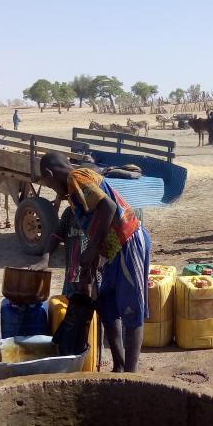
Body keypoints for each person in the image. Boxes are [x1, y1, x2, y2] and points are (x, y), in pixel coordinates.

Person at [37, 152, 150, 372]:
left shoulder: (76, 178)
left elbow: (109, 207)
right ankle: (119, 367)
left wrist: (91, 249)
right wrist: (92, 261)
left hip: (127, 240)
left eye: (49, 185)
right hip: (111, 249)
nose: (53, 190)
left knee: (131, 309)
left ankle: (131, 374)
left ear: (49, 174)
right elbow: (96, 222)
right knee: (106, 304)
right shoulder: (77, 186)